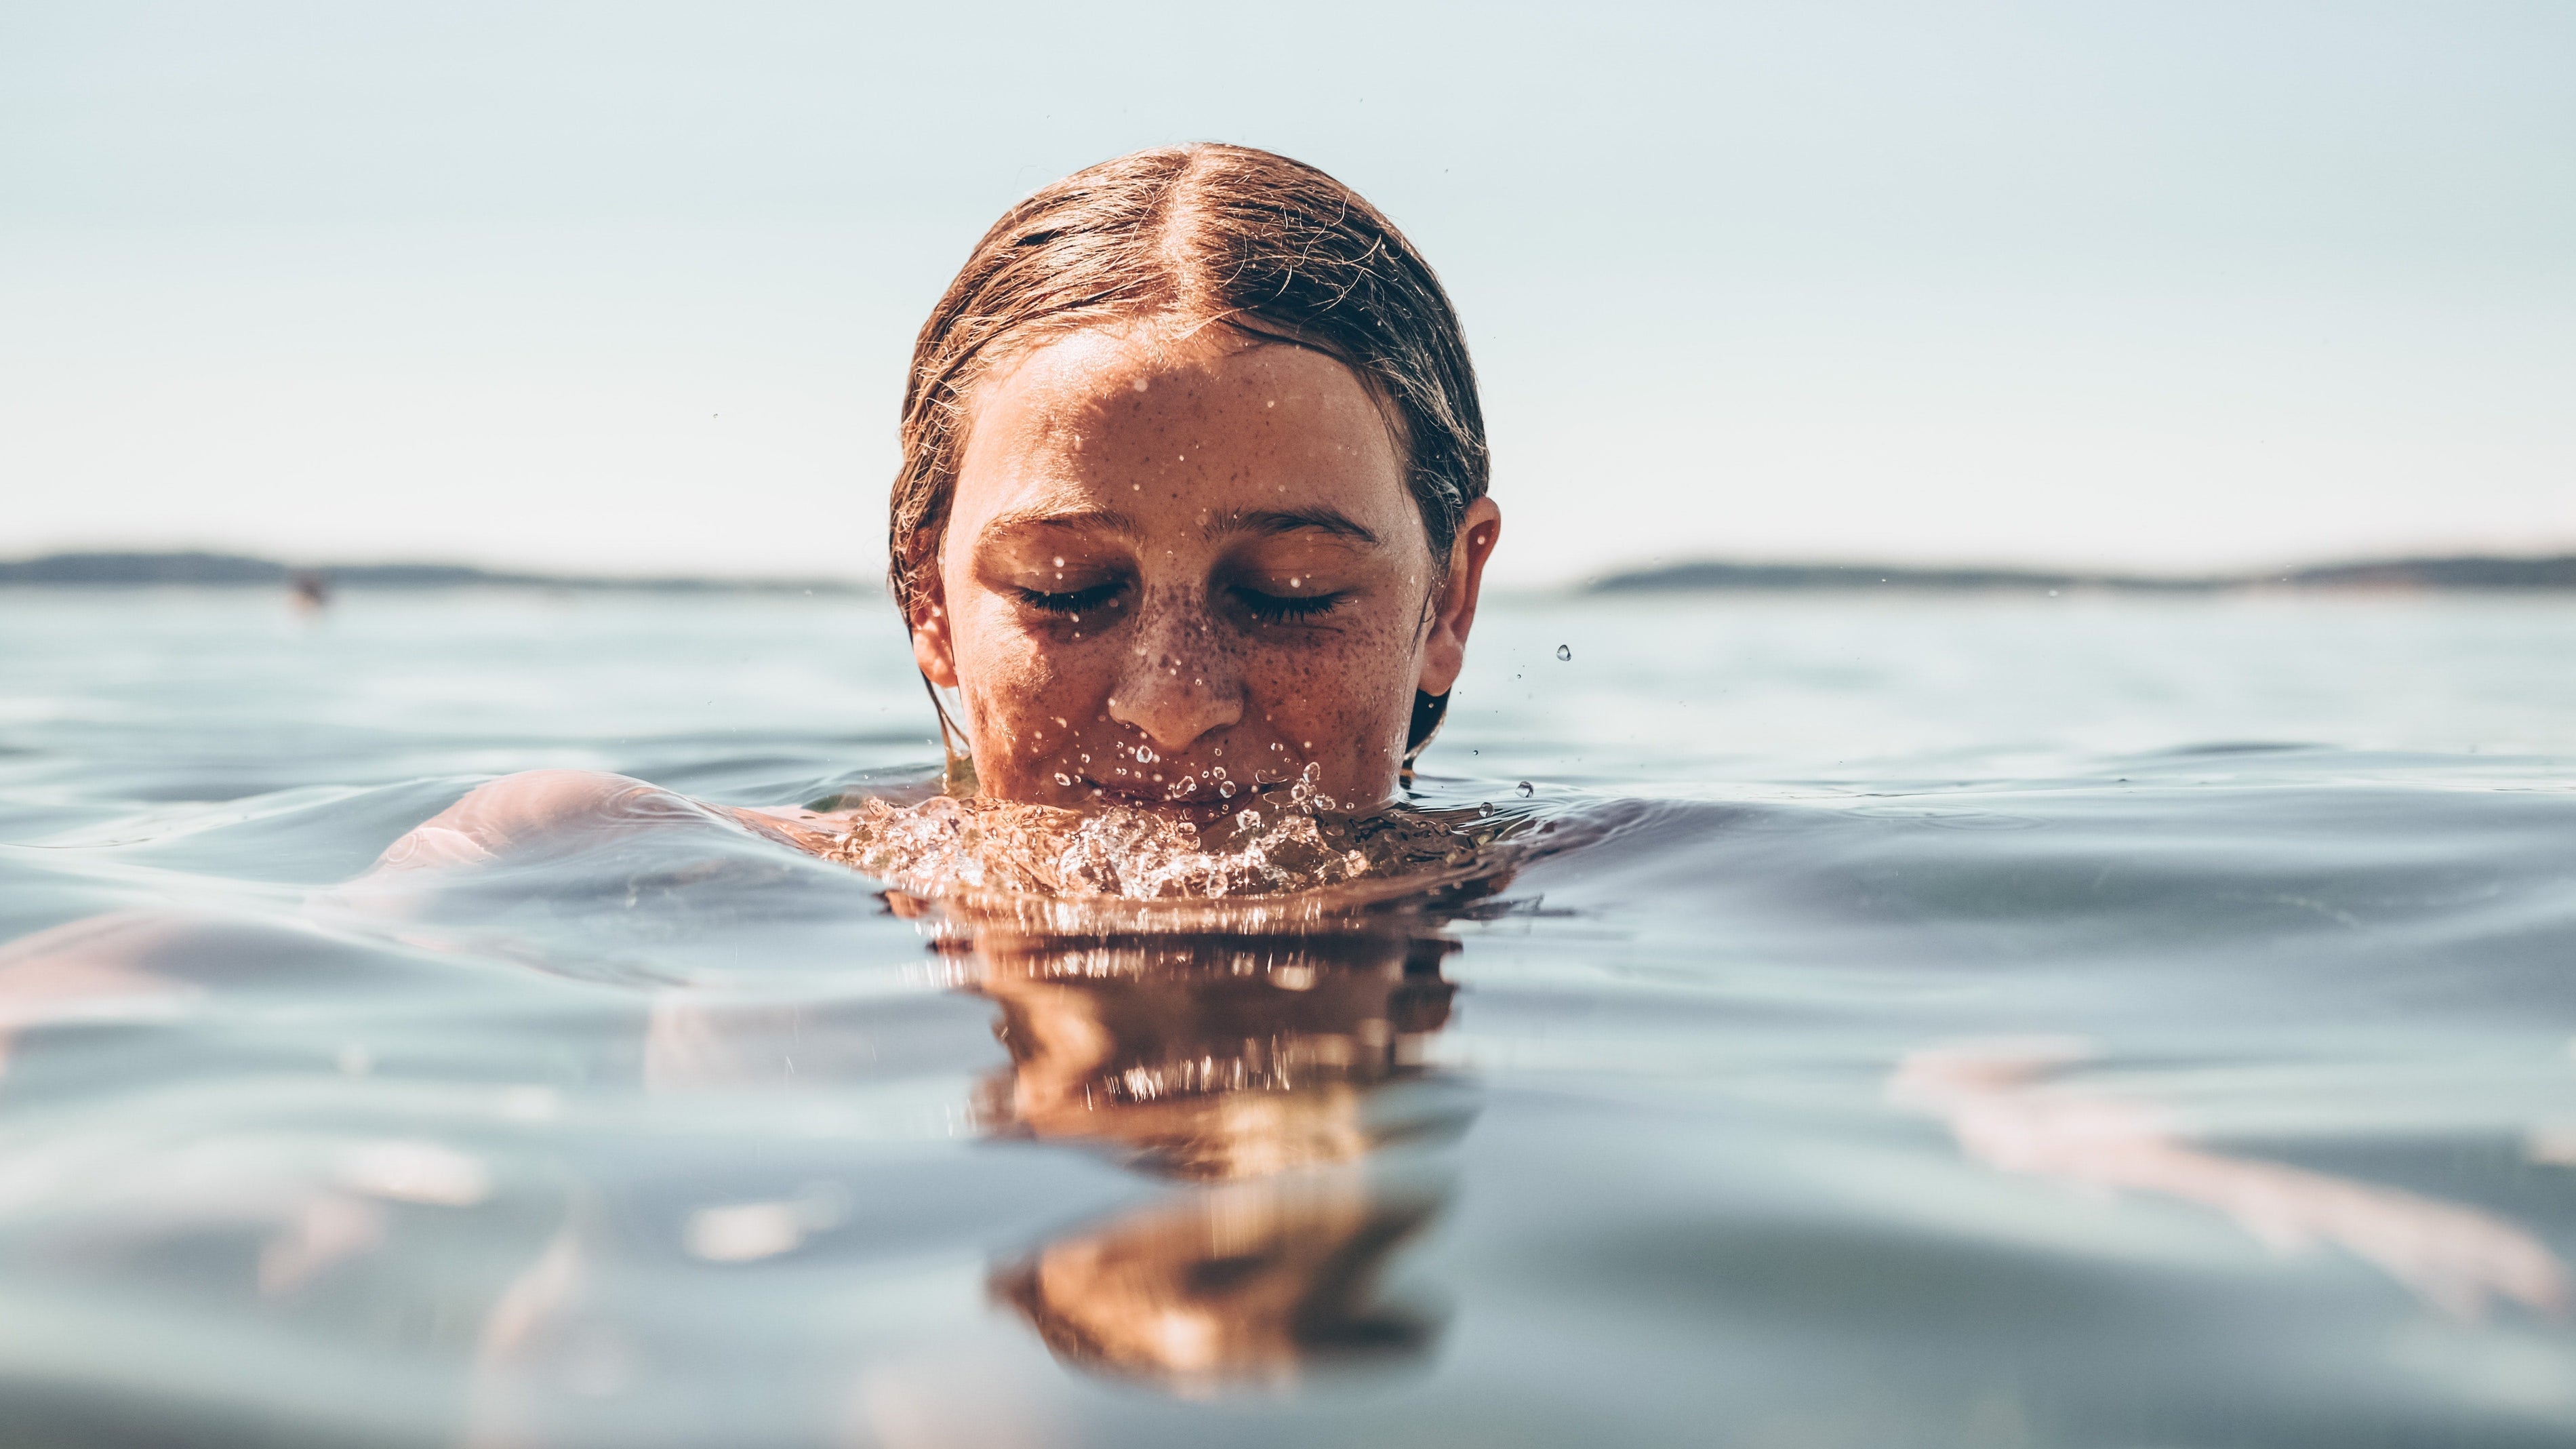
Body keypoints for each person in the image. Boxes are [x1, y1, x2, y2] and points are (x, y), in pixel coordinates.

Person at [372, 143, 1504, 878]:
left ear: (1448, 601)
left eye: (1289, 591)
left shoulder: (1570, 892)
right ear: (930, 602)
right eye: (1068, 590)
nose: (1171, 702)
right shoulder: (621, 862)